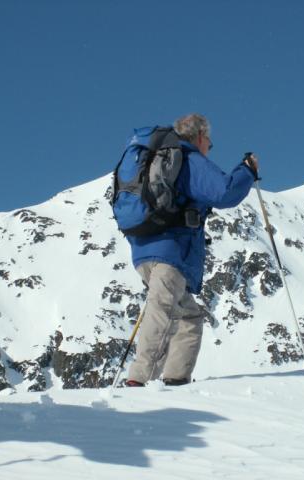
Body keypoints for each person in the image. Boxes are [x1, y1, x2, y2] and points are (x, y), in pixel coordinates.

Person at [125, 113, 259, 386]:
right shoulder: (188, 159)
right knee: (162, 311)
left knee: (188, 317)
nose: (209, 146)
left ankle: (176, 380)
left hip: (144, 249)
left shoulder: (157, 161)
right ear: (199, 136)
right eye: (209, 140)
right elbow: (224, 193)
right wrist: (247, 171)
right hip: (170, 252)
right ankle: (139, 382)